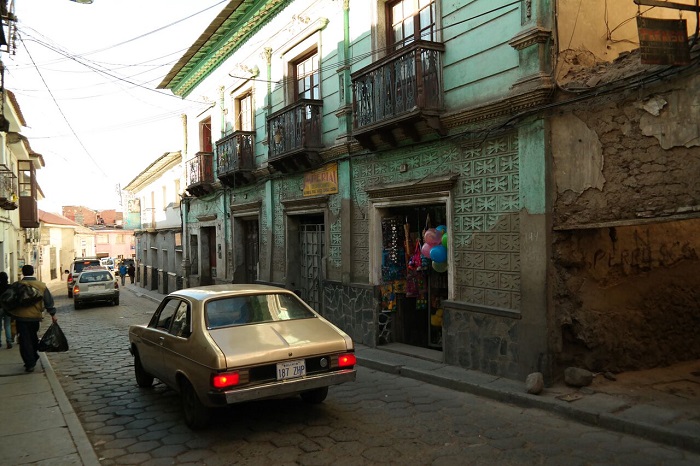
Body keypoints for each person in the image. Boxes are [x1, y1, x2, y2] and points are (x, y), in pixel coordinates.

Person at [11, 264, 57, 372]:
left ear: (23, 273)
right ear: (33, 272)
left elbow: (10, 300)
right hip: (34, 317)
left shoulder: (17, 285)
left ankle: (29, 362)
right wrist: (53, 314)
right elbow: (48, 302)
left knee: (24, 339)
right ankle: (33, 356)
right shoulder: (41, 285)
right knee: (32, 337)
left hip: (20, 317)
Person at [0, 272, 12, 349]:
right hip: (7, 308)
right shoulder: (10, 287)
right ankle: (9, 341)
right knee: (7, 325)